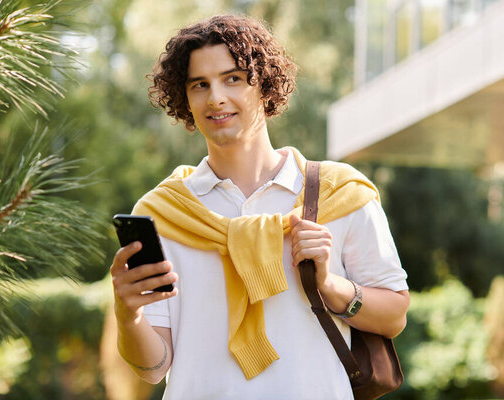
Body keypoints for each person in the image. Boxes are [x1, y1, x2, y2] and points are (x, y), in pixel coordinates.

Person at [110, 14, 409, 400]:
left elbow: (394, 316)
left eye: (232, 78)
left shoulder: (340, 193)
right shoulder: (164, 212)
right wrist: (127, 312)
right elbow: (154, 368)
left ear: (263, 84)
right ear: (185, 99)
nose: (216, 97)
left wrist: (328, 286)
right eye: (200, 85)